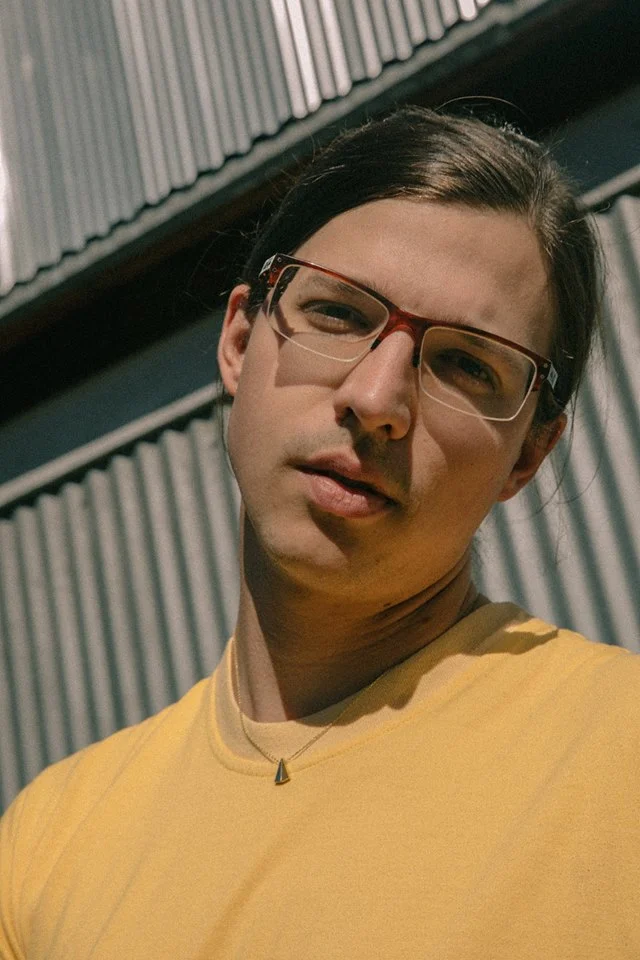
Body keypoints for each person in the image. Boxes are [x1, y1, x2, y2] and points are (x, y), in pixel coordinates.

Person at [1, 106, 639, 960]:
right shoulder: (46, 850)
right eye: (338, 313)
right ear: (239, 341)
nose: (377, 399)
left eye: (465, 363)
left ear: (528, 453)